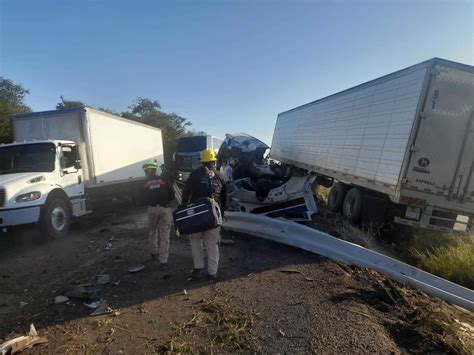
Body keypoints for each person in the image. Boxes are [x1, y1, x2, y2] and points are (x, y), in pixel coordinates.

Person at [181, 148, 227, 280]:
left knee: (195, 241)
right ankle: (212, 272)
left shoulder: (194, 174)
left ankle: (198, 268)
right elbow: (224, 198)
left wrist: (184, 207)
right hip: (214, 215)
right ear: (214, 161)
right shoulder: (220, 175)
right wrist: (221, 215)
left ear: (202, 161)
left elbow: (185, 193)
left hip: (196, 214)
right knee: (212, 243)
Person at [142, 160, 174, 270]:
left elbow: (139, 198)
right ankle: (163, 261)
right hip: (164, 208)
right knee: (164, 235)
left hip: (151, 209)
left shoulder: (144, 182)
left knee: (152, 231)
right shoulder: (163, 179)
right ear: (155, 169)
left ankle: (153, 253)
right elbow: (172, 194)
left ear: (146, 171)